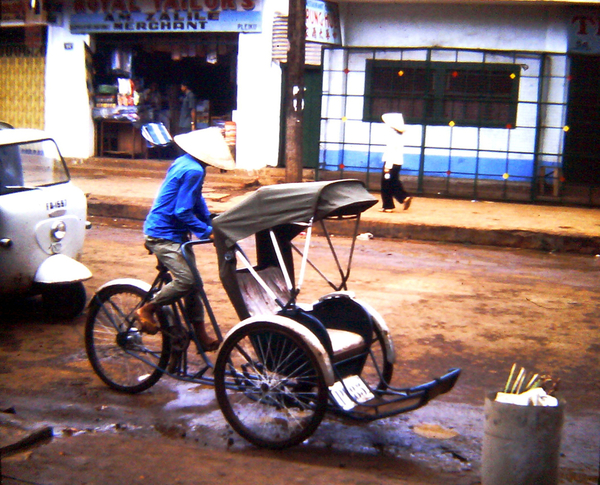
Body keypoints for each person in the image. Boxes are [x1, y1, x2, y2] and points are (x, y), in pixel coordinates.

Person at [134, 127, 235, 351]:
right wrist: (205, 230)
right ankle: (148, 308)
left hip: (175, 234)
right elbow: (182, 211)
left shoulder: (186, 162)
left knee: (195, 286)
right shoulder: (194, 171)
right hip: (162, 235)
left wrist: (210, 222)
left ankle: (199, 334)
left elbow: (195, 198)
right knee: (187, 281)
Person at [380, 112, 412, 212]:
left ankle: (388, 205)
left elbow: (390, 151)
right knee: (393, 182)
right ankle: (403, 197)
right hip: (398, 162)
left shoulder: (392, 136)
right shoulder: (399, 135)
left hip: (391, 162)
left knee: (386, 184)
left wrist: (387, 166)